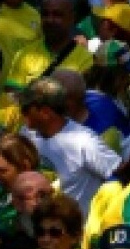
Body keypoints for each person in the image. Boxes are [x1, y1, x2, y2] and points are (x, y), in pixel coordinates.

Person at [19, 78, 121, 213]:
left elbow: (119, 173)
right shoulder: (27, 134)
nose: (21, 113)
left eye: (26, 109)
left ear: (45, 112)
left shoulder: (84, 142)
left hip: (78, 229)